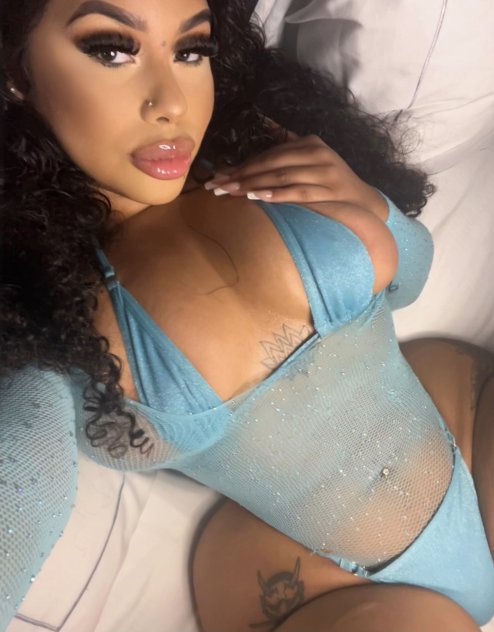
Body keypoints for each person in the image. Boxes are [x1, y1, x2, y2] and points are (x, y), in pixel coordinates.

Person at [0, 0, 493, 631]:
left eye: (191, 50)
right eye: (112, 50)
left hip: (458, 427)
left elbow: (406, 280)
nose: (172, 103)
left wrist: (372, 203)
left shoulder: (258, 146)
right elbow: (23, 493)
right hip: (314, 576)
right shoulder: (46, 304)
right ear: (16, 71)